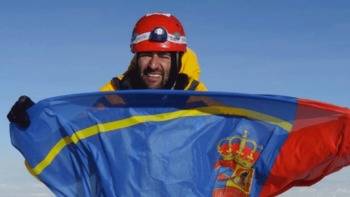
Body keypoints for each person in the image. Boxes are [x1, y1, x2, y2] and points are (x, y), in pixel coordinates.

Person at [7, 12, 207, 128]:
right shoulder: (114, 96)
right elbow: (75, 135)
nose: (153, 64)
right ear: (136, 57)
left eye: (163, 56)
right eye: (146, 54)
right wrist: (33, 124)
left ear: (177, 60)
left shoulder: (199, 101)